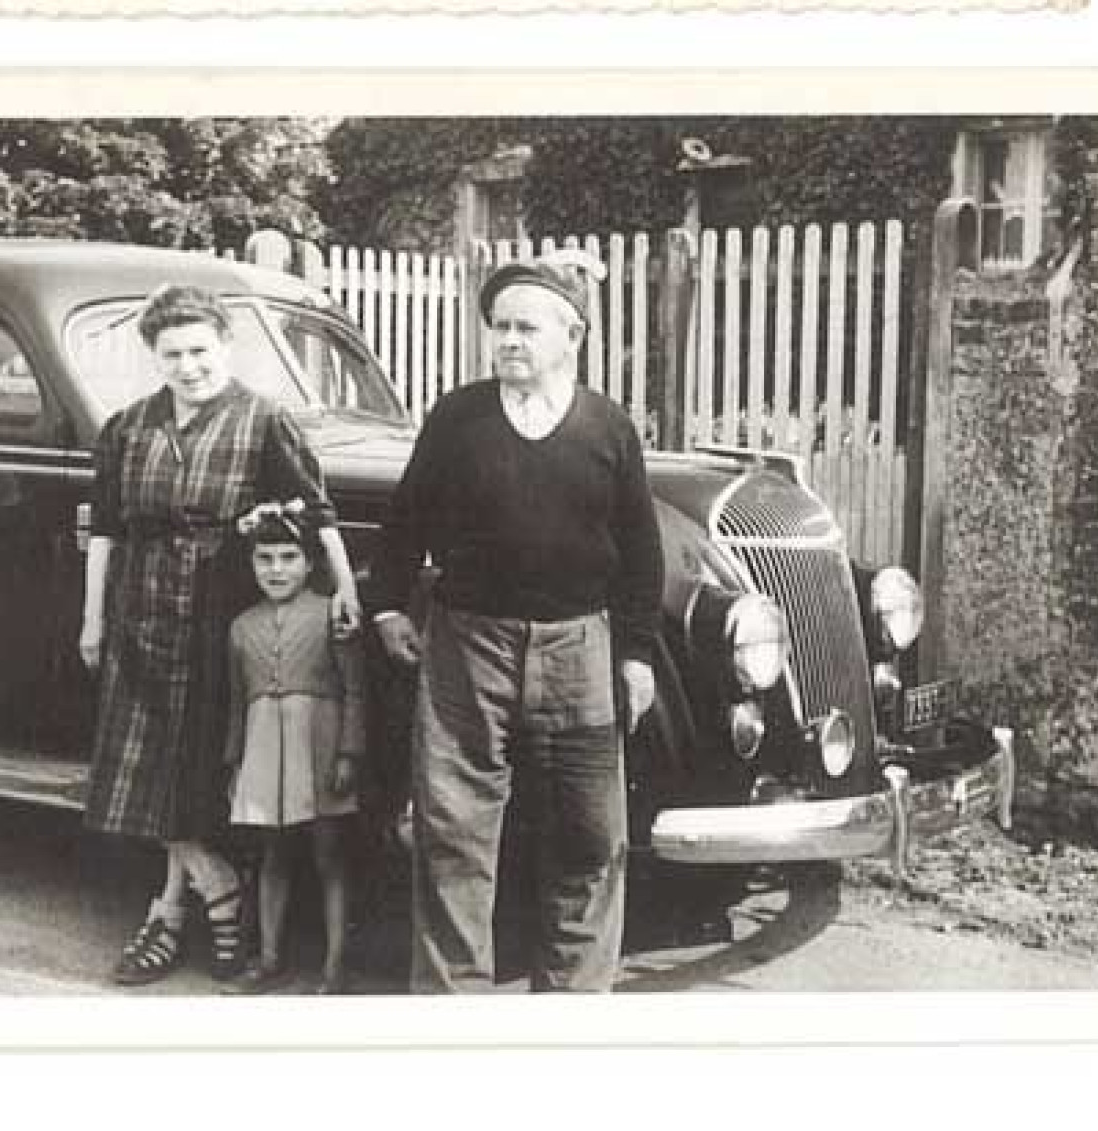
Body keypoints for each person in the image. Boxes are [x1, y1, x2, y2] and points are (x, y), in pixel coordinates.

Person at [370, 253, 664, 993]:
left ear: (573, 335)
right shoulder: (457, 417)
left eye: (525, 327)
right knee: (453, 836)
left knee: (589, 839)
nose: (507, 340)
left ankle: (572, 1007)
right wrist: (384, 603)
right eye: (499, 326)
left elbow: (640, 553)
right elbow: (405, 519)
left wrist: (633, 655)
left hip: (579, 651)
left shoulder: (607, 427)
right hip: (467, 648)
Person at [79, 285, 360, 986]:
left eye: (200, 350)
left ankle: (174, 909)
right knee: (142, 771)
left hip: (214, 614)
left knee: (191, 768)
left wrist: (346, 586)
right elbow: (107, 529)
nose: (188, 365)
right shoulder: (129, 426)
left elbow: (317, 508)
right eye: (172, 353)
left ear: (225, 347)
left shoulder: (262, 420)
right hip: (140, 612)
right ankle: (211, 890)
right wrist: (92, 618)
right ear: (154, 355)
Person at [223, 500, 365, 995]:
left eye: (288, 557)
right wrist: (235, 764)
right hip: (264, 751)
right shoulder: (241, 627)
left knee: (329, 855)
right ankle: (268, 959)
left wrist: (349, 753)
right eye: (265, 558)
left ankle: (334, 968)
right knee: (272, 855)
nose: (276, 569)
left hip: (319, 749)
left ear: (310, 563)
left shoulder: (333, 614)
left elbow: (354, 691)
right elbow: (239, 706)